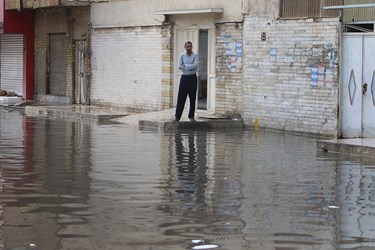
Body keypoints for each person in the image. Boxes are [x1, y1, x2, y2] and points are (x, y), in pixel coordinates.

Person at [175, 41, 199, 122]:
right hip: (184, 78)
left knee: (192, 98)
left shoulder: (195, 55)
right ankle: (177, 117)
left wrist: (186, 66)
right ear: (185, 47)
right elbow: (179, 66)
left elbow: (196, 66)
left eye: (190, 46)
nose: (188, 48)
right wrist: (190, 67)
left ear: (192, 47)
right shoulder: (182, 55)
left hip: (192, 78)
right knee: (181, 97)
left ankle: (191, 116)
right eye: (187, 47)